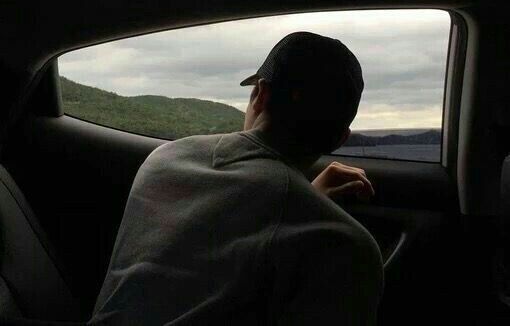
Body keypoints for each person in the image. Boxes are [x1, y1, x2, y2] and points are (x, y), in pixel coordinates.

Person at [91, 31, 384, 325]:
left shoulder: (163, 160)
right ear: (339, 139)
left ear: (261, 96)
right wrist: (312, 204)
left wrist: (308, 199)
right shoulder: (345, 247)